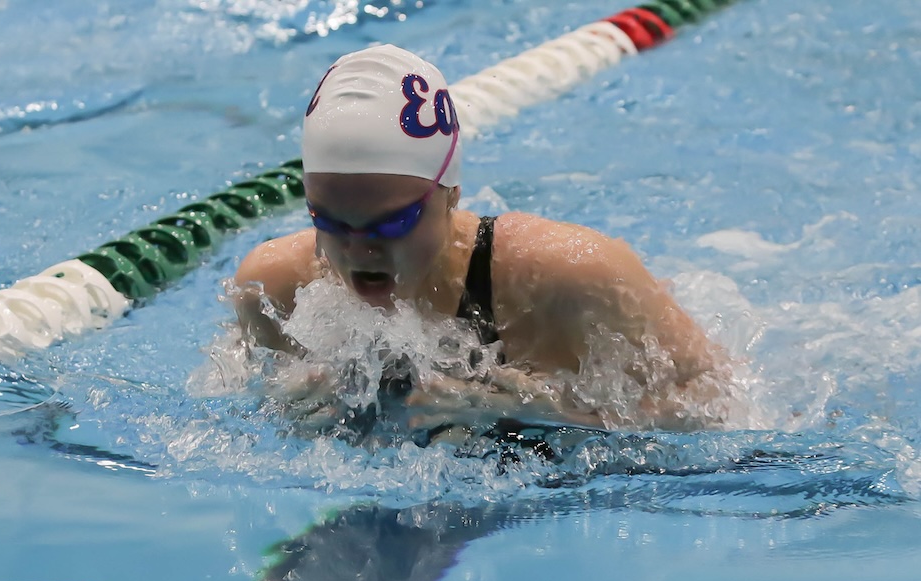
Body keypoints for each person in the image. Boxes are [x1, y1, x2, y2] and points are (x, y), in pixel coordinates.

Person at [234, 44, 732, 433]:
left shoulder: (566, 277)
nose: (360, 251)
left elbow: (717, 403)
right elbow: (229, 408)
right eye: (331, 223)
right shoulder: (274, 289)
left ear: (451, 194)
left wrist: (557, 414)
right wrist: (279, 413)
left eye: (391, 225)